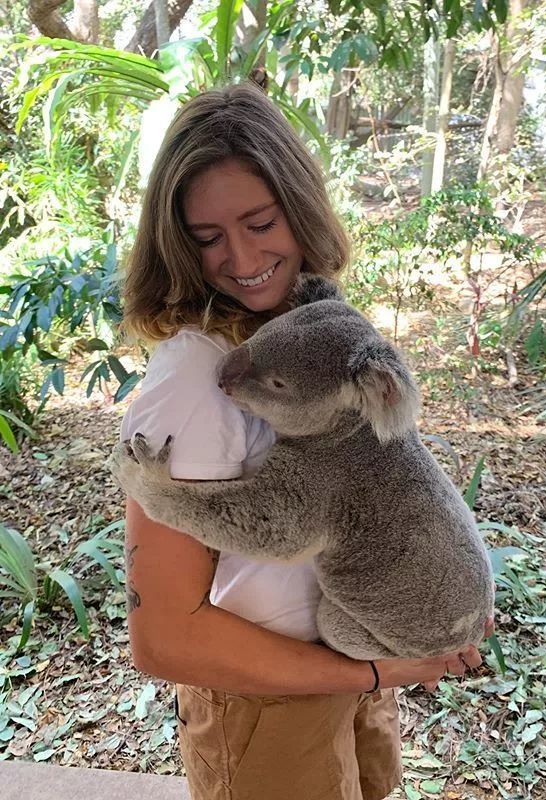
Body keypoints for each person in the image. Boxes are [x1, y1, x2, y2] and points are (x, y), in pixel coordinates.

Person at [119, 79, 494, 800]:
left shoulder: (311, 328)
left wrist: (449, 594)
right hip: (269, 699)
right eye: (207, 237)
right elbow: (164, 638)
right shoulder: (194, 379)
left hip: (351, 671)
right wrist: (379, 671)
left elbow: (389, 478)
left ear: (301, 207)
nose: (239, 256)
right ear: (176, 242)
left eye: (261, 222)